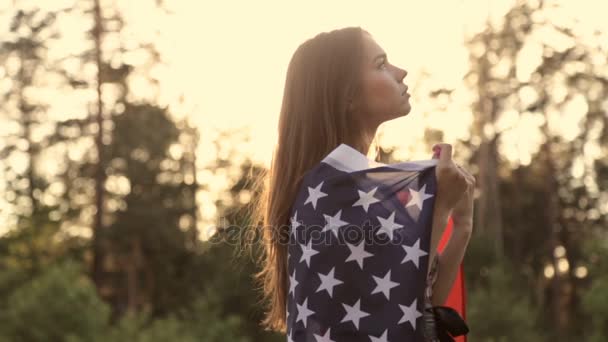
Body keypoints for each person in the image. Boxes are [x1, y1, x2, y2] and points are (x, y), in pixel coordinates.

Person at [250, 26, 474, 341]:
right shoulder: (328, 193)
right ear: (347, 95)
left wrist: (462, 224)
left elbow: (424, 306)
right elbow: (398, 310)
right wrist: (439, 210)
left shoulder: (367, 188)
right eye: (381, 64)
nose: (401, 72)